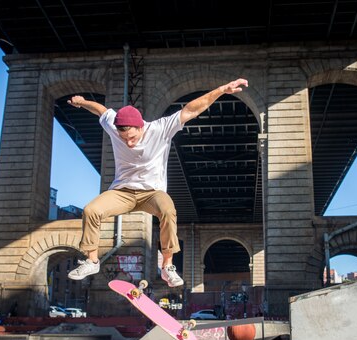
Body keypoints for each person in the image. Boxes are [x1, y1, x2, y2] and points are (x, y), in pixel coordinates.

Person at [66, 78, 249, 287]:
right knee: (91, 210)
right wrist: (82, 102)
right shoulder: (114, 125)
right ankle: (91, 261)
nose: (129, 142)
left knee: (168, 210)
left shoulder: (160, 128)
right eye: (124, 138)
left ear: (141, 126)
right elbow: (101, 110)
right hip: (122, 192)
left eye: (133, 137)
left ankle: (167, 267)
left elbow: (191, 110)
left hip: (152, 193)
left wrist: (222, 90)